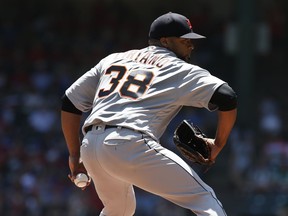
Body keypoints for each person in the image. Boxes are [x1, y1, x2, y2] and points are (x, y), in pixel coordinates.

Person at [61, 12, 237, 216]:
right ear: (165, 41)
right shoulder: (179, 68)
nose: (191, 45)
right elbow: (227, 96)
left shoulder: (114, 59)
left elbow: (70, 102)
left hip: (91, 146)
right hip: (130, 143)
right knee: (203, 197)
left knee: (119, 209)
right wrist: (218, 144)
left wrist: (75, 155)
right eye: (184, 40)